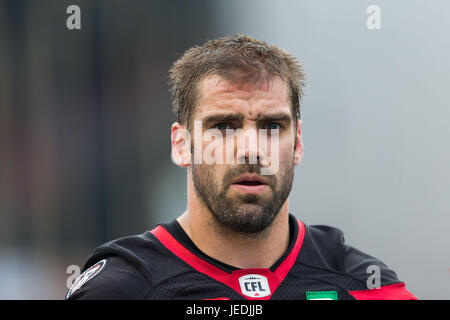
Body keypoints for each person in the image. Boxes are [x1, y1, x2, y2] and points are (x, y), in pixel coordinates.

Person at [66, 34, 416, 300]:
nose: (251, 150)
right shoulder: (123, 288)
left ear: (296, 144)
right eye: (223, 126)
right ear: (181, 145)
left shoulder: (364, 285)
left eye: (272, 127)